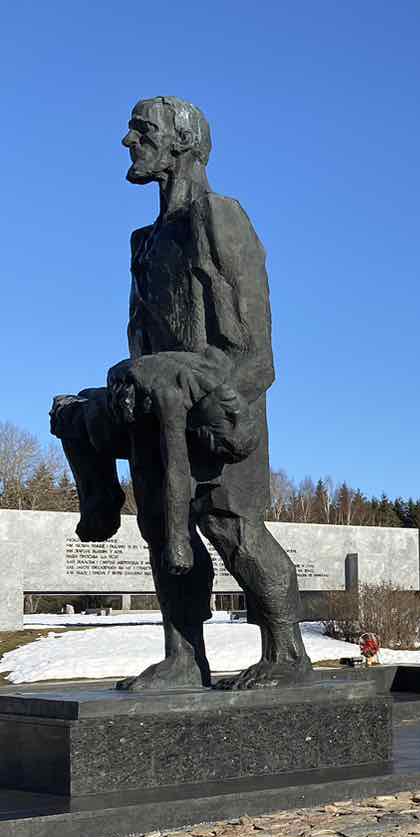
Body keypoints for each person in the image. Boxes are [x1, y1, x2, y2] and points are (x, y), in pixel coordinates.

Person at [49, 96, 311, 691]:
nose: (128, 140)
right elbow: (142, 340)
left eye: (141, 130)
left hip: (221, 403)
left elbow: (254, 348)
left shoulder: (220, 218)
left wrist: (207, 389)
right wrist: (120, 392)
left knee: (229, 527)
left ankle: (288, 654)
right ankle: (184, 657)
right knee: (150, 511)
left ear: (183, 143)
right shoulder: (145, 239)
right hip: (160, 400)